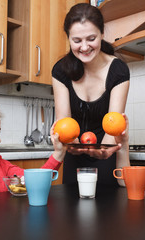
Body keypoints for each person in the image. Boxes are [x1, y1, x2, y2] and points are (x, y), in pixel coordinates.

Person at [52, 3, 130, 186]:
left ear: (102, 34)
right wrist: (72, 143)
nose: (85, 47)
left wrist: (103, 150)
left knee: (110, 210)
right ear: (69, 39)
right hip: (73, 156)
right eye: (77, 41)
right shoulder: (60, 71)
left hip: (107, 154)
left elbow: (114, 122)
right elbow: (65, 123)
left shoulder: (118, 70)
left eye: (91, 38)